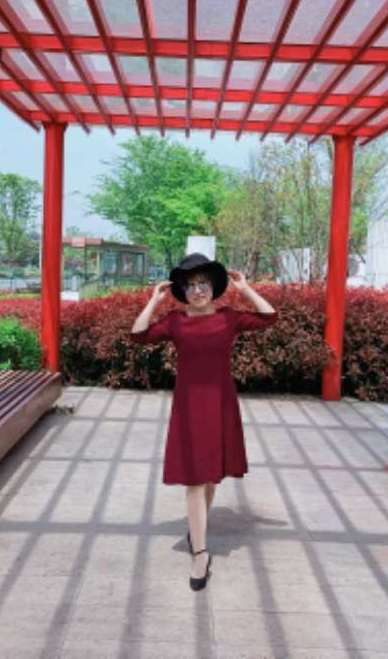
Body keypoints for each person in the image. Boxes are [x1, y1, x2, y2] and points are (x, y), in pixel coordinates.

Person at [130, 253, 277, 591]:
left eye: (203, 284)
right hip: (189, 407)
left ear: (213, 287)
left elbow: (270, 317)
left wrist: (245, 289)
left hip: (221, 404)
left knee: (210, 475)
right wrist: (154, 302)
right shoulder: (176, 322)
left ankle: (197, 529)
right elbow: (138, 335)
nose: (197, 290)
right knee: (195, 480)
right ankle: (200, 552)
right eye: (190, 285)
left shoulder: (229, 318)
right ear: (183, 291)